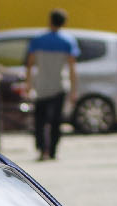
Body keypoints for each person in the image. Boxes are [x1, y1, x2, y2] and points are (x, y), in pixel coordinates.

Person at [25, 9, 79, 161]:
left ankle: (42, 149)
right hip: (59, 85)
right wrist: (74, 89)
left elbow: (29, 64)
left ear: (49, 20)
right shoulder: (68, 41)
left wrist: (28, 83)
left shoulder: (37, 40)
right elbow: (72, 68)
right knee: (56, 120)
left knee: (40, 120)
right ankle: (54, 150)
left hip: (41, 85)